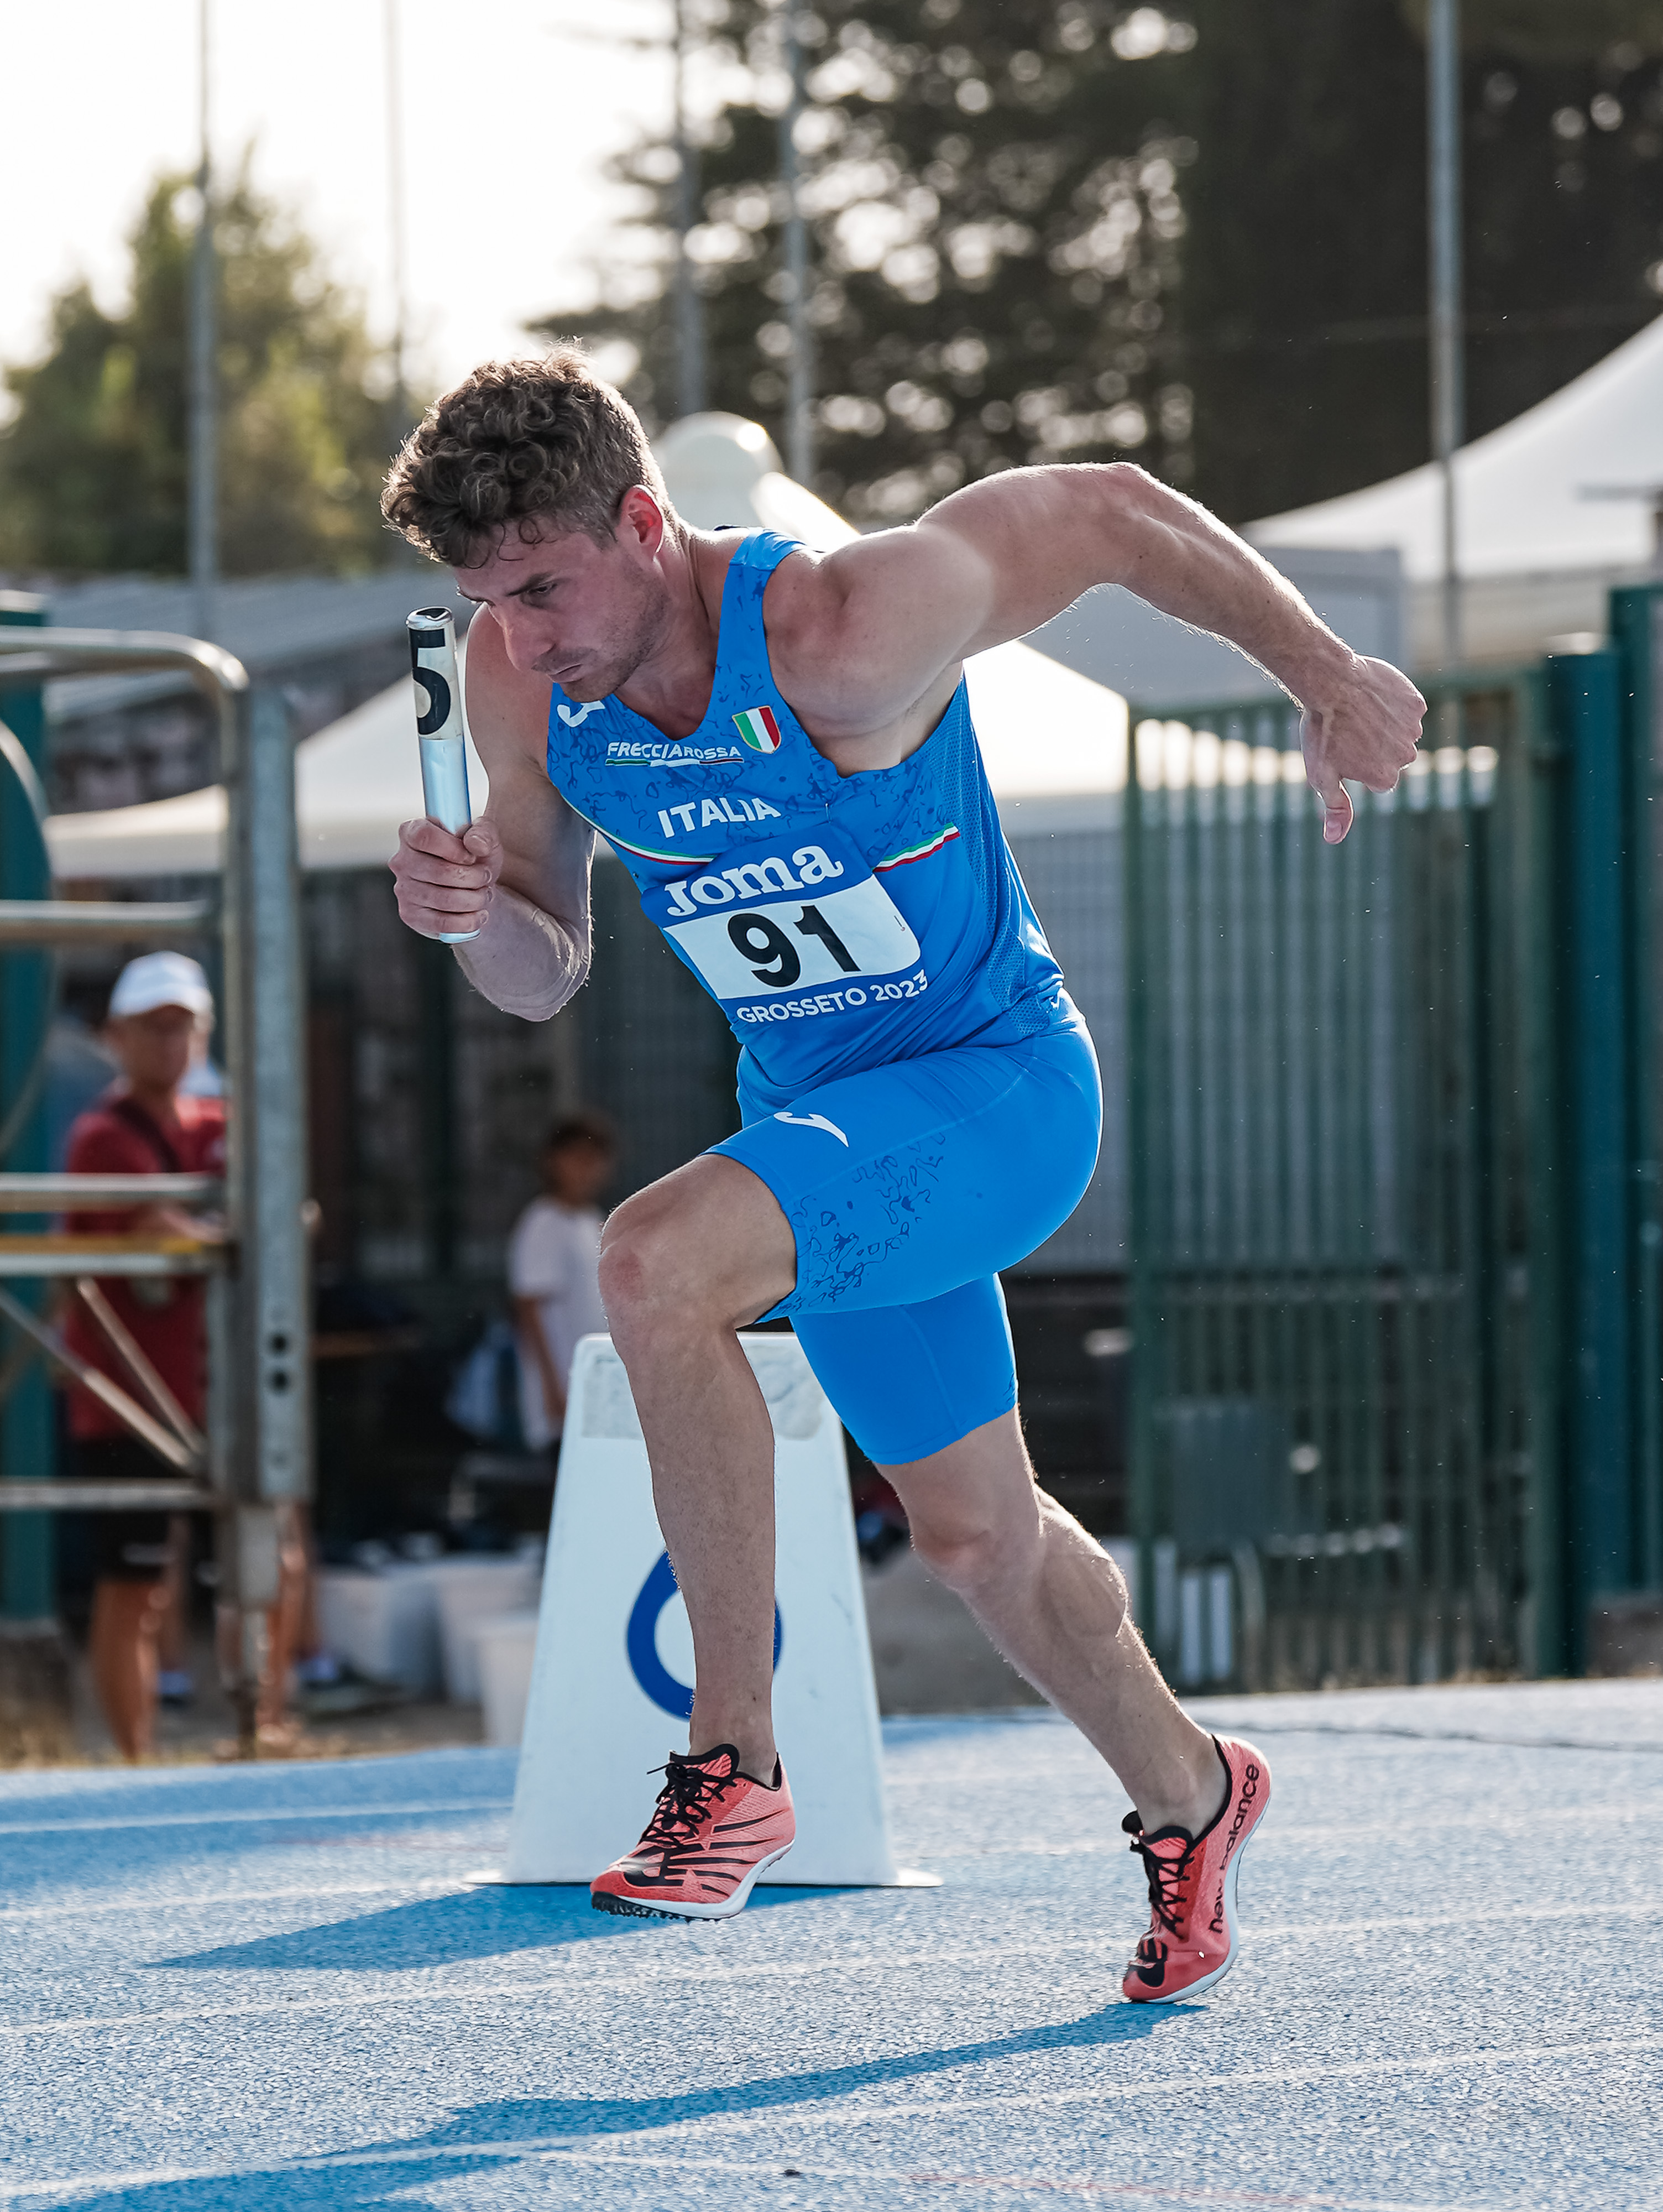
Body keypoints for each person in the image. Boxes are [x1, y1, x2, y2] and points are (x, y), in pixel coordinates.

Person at [384, 351, 1423, 2000]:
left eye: (541, 589)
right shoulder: (521, 684)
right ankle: (1193, 1788)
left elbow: (1109, 511)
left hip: (993, 1095)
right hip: (832, 1135)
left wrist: (1324, 670)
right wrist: (467, 916)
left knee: (652, 1262)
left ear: (643, 524)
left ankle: (731, 1760)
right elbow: (542, 969)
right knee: (975, 1539)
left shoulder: (843, 626)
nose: (517, 636)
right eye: (483, 602)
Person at [62, 952, 226, 1760]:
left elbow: (282, 1210)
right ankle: (134, 1759)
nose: (170, 1043)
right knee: (135, 1587)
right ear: (118, 1038)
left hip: (213, 1390)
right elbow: (162, 1230)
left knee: (265, 1557)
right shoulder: (102, 1135)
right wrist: (225, 1230)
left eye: (183, 1026)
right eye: (153, 1027)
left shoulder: (214, 1124)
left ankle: (262, 1730)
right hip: (129, 1399)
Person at [509, 1112, 616, 1454]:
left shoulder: (593, 1222)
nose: (587, 1169)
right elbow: (528, 1310)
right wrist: (552, 1388)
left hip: (598, 1391)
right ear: (553, 1161)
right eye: (577, 1158)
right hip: (563, 1394)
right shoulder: (542, 1223)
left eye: (595, 1159)